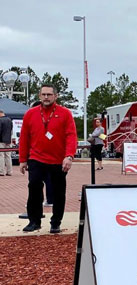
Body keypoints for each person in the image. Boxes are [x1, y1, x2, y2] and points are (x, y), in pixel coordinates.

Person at [19, 83, 77, 233]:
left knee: (58, 192)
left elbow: (71, 136)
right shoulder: (30, 114)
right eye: (43, 94)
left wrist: (69, 156)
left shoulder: (65, 113)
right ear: (39, 96)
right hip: (36, 158)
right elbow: (24, 138)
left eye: (49, 94)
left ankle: (56, 222)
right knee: (34, 187)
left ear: (55, 96)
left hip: (58, 161)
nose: (46, 97)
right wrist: (22, 160)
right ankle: (34, 221)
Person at [0, 110, 13, 176]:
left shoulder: (0, 120)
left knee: (1, 156)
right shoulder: (9, 120)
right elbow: (11, 131)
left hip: (1, 141)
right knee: (8, 156)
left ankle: (1, 171)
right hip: (8, 140)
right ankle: (9, 171)